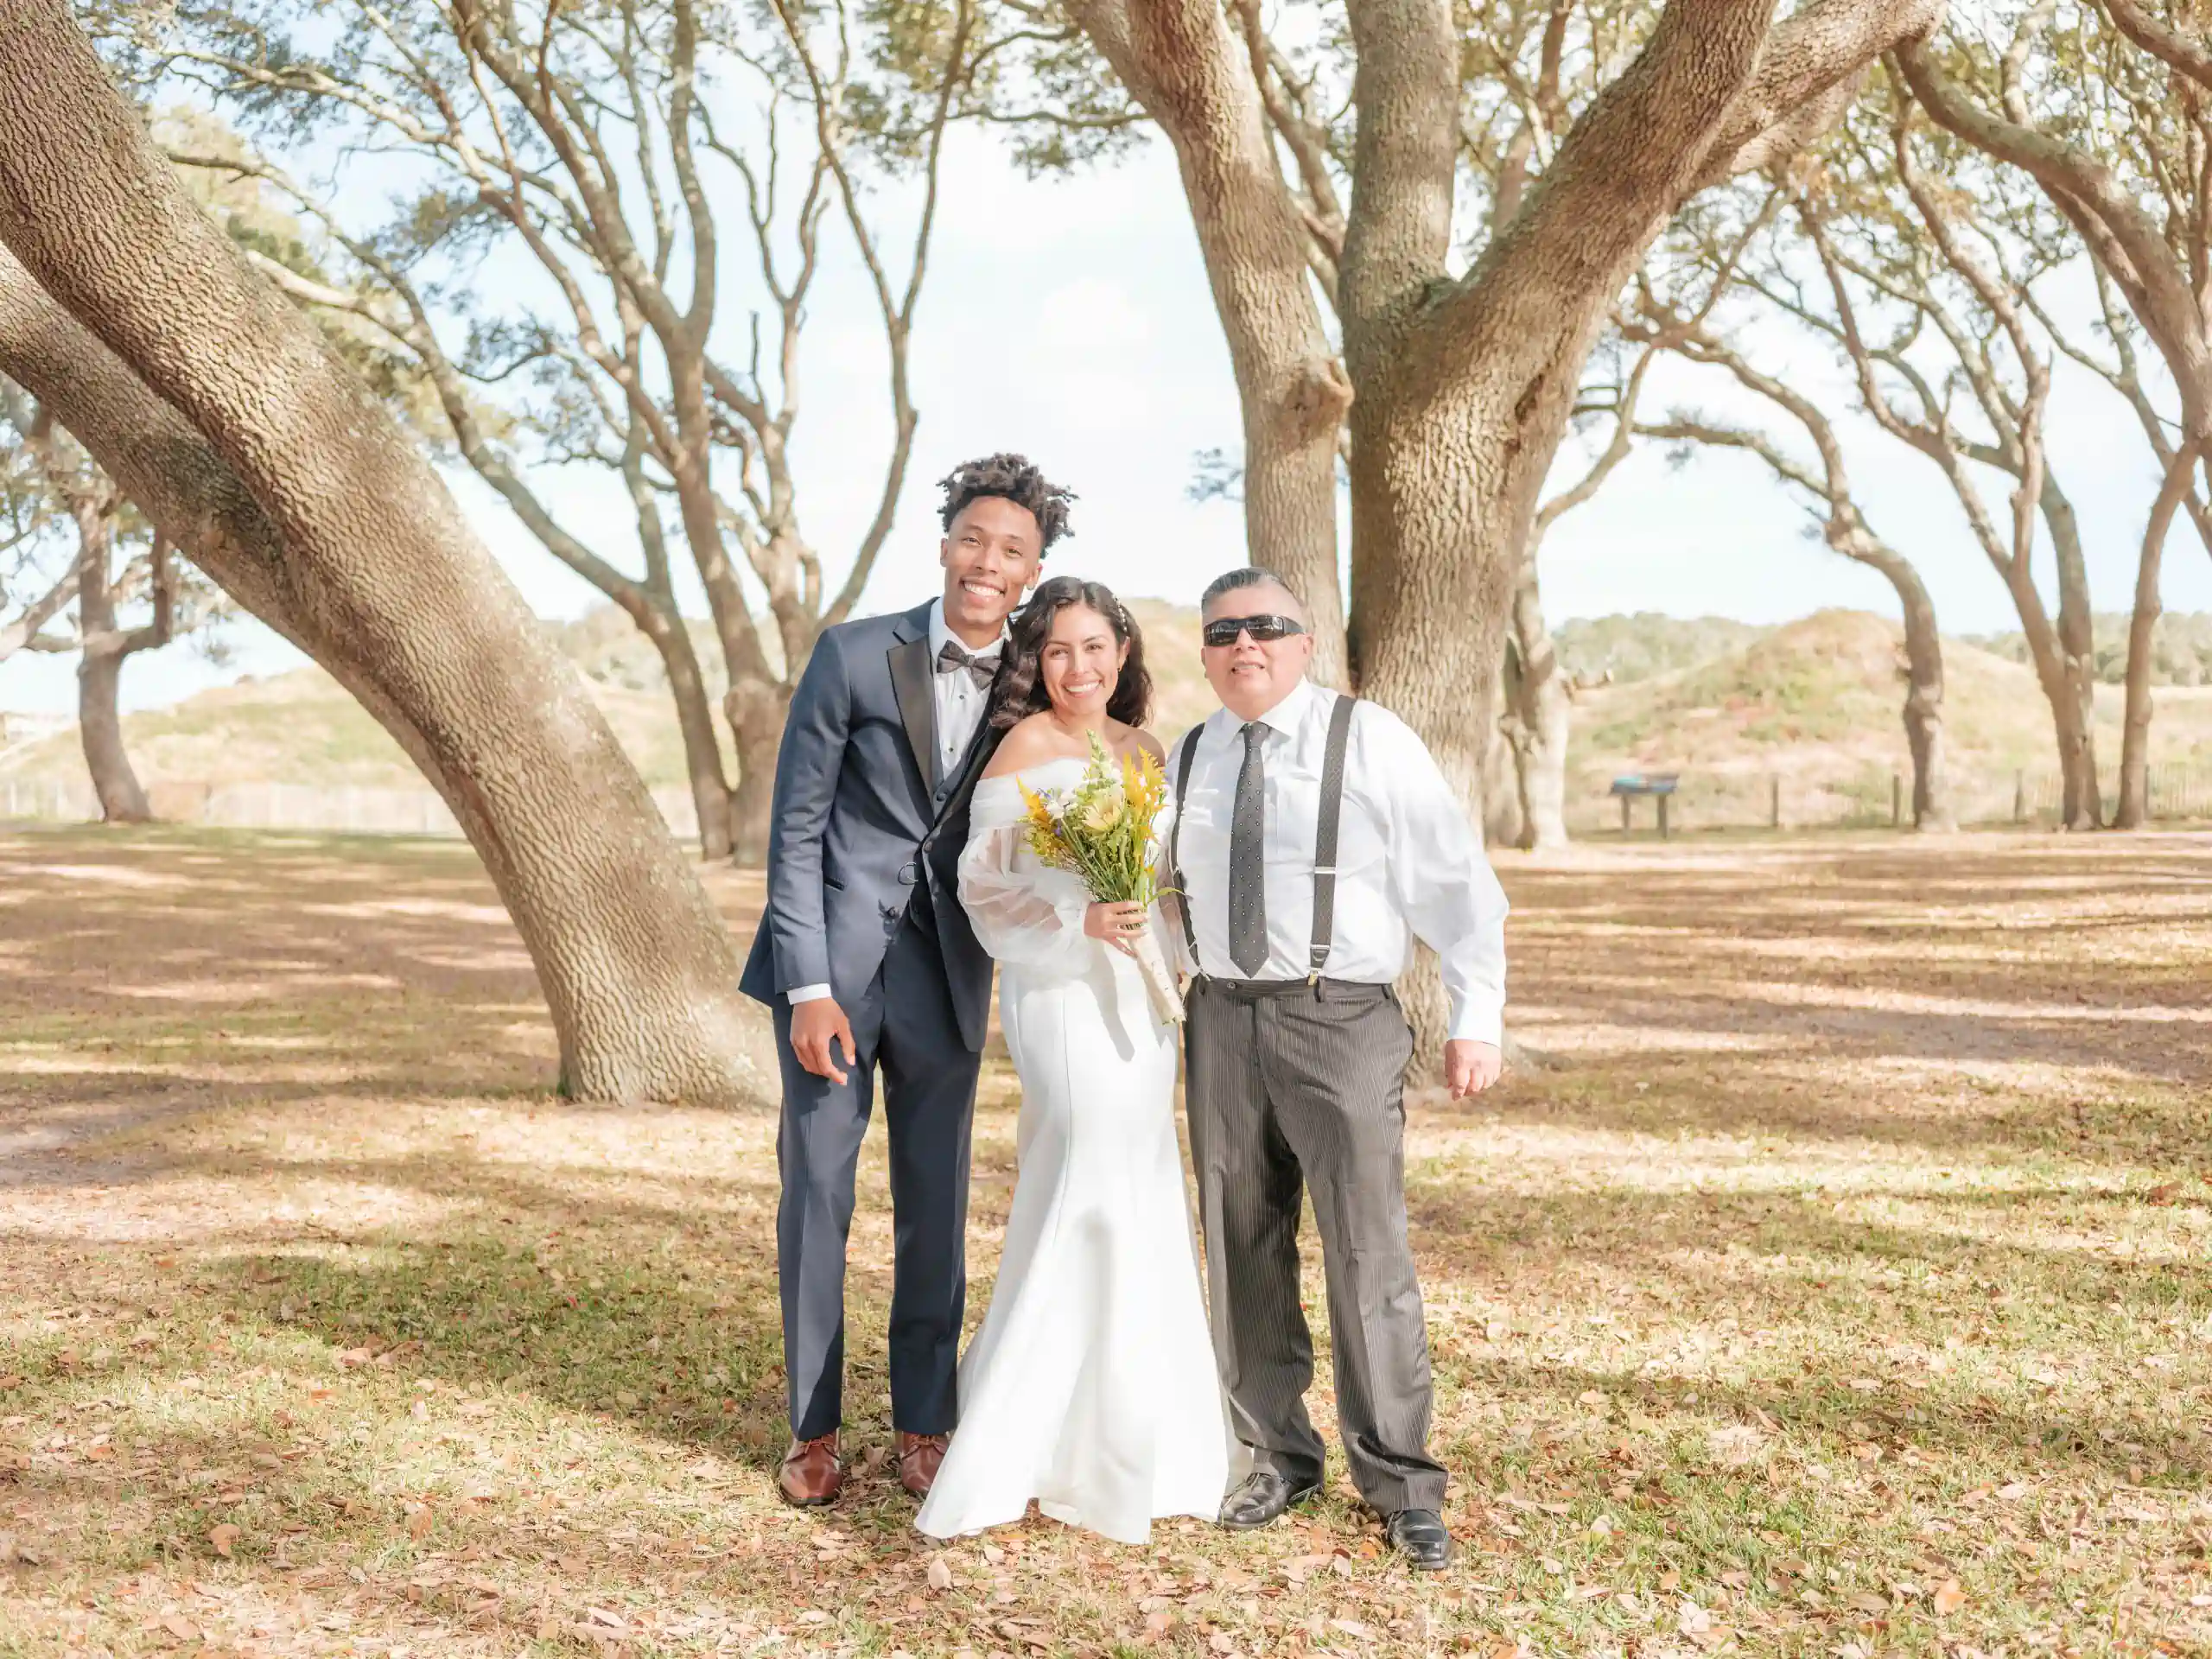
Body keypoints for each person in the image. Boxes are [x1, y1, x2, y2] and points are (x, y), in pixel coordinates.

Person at [739, 454, 1074, 1509]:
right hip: (831, 980)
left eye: (1012, 550)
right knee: (818, 1199)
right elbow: (793, 834)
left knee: (934, 1206)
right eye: (974, 538)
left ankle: (927, 1423)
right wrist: (805, 987)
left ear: (1031, 573)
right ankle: (811, 1427)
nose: (988, 561)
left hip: (951, 977)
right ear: (944, 545)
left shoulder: (1033, 679)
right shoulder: (849, 655)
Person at [1166, 566, 1509, 1571]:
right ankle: (1278, 1453)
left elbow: (1456, 881)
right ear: (1204, 651)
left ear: (1303, 643)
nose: (1245, 645)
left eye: (1266, 627)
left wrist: (1473, 1014)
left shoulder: (1369, 739)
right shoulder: (1193, 754)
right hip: (1220, 1021)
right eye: (1223, 631)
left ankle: (1401, 1479)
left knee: (1367, 1252)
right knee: (1240, 1243)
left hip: (1341, 1017)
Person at [914, 575, 1230, 1545]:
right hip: (1060, 994)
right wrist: (1076, 917)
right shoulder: (1023, 748)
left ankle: (1148, 1433)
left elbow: (1172, 883)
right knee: (1081, 1182)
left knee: (1140, 1186)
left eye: (1094, 647)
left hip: (1140, 1001)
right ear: (1035, 662)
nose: (1078, 667)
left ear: (1123, 653)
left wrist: (1161, 948)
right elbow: (982, 885)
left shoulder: (1146, 751)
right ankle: (1032, 1434)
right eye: (1056, 651)